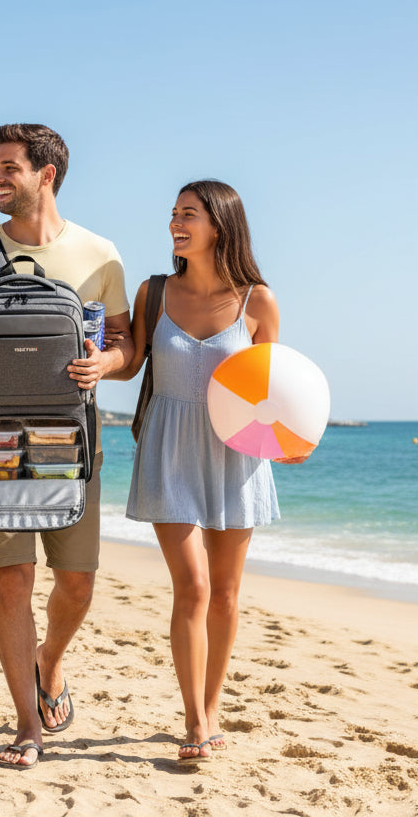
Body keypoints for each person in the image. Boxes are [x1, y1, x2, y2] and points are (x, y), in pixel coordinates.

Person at [0, 123, 134, 769]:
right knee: (11, 584)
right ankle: (25, 725)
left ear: (48, 174)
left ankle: (51, 661)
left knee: (78, 584)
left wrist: (109, 365)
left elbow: (126, 342)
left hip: (73, 444)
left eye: (9, 167)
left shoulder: (101, 256)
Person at [118, 179, 302, 766]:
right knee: (193, 586)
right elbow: (129, 363)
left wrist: (293, 441)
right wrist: (101, 360)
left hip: (237, 454)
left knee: (224, 594)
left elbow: (274, 390)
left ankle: (212, 704)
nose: (175, 222)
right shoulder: (153, 292)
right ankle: (194, 720)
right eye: (173, 213)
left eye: (188, 214)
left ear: (219, 224)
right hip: (168, 449)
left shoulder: (258, 302)